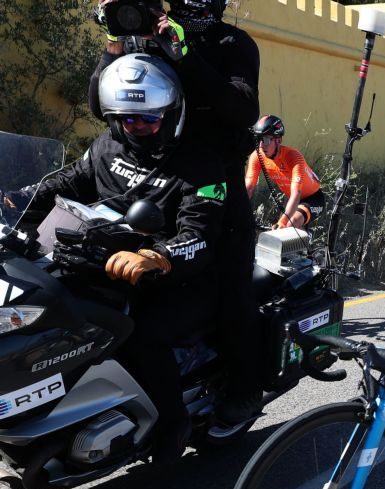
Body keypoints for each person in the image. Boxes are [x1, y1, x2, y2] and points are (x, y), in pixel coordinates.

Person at [23, 54, 226, 465]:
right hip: (104, 260)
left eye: (147, 121)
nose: (136, 129)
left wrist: (158, 255)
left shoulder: (201, 164)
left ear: (171, 114)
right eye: (125, 120)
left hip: (181, 277)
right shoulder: (107, 145)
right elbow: (62, 185)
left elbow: (200, 236)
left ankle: (173, 423)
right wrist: (17, 201)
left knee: (142, 332)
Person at [88, 0, 263, 426]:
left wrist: (185, 55)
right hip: (151, 178)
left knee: (230, 287)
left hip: (213, 183)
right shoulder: (142, 37)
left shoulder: (232, 42)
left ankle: (245, 388)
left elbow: (242, 110)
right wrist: (114, 39)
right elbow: (99, 102)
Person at [245, 115, 325, 230]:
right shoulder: (257, 156)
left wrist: (283, 221)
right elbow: (248, 188)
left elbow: (296, 193)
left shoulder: (293, 157)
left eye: (266, 139)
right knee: (283, 235)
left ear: (278, 140)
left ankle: (304, 239)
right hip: (291, 199)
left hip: (313, 199)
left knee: (290, 223)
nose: (261, 145)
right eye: (259, 139)